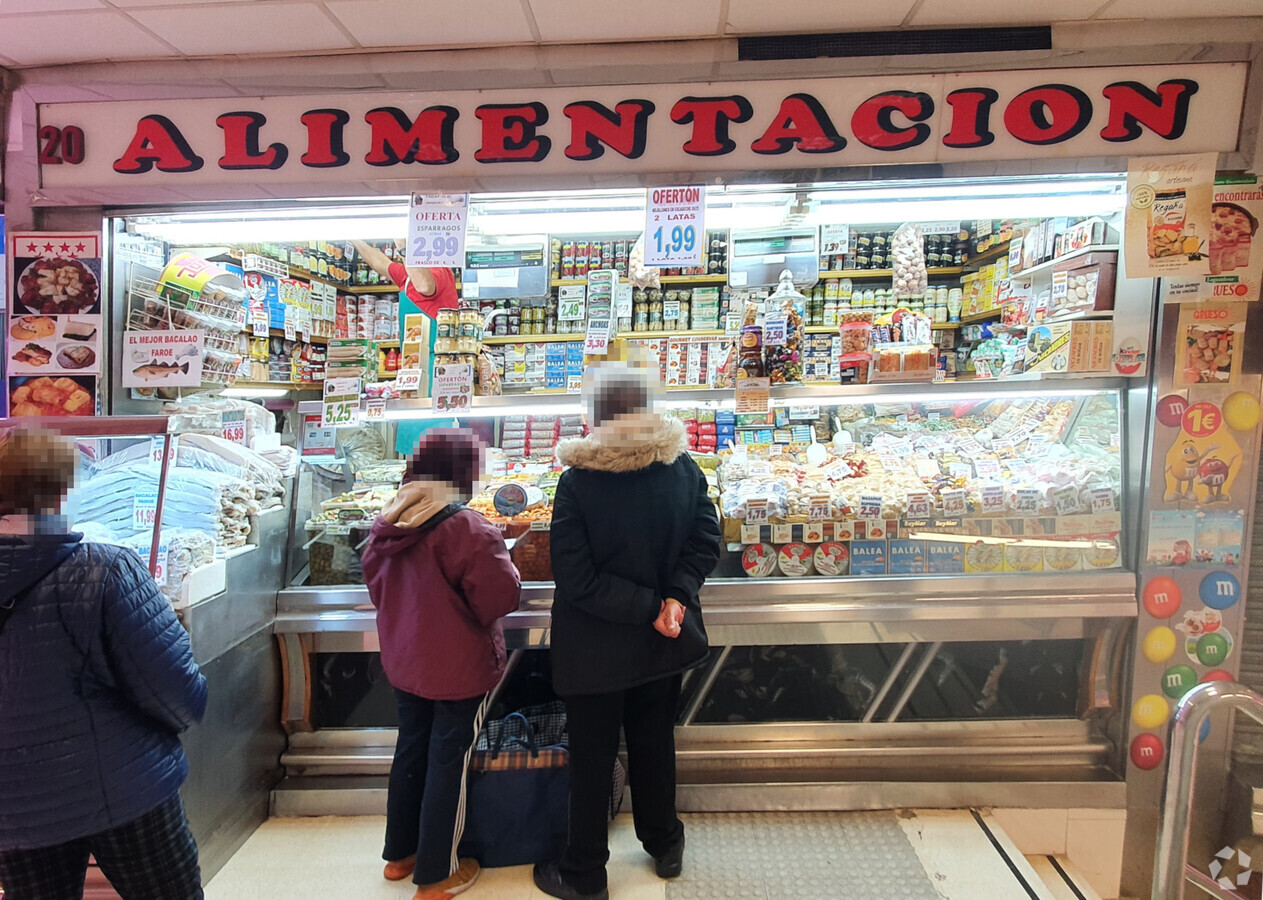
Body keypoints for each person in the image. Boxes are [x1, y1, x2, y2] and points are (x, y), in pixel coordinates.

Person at [534, 363, 722, 900]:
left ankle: (585, 872)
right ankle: (665, 845)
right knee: (653, 742)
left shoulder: (578, 483)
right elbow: (705, 541)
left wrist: (650, 606)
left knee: (593, 757)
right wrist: (673, 601)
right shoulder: (682, 469)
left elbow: (577, 579)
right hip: (663, 641)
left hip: (596, 650)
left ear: (596, 416)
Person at [0, 427, 208, 900]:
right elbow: (176, 692)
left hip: (12, 810)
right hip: (123, 790)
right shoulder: (104, 568)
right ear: (59, 492)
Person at [361, 428, 522, 900]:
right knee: (449, 761)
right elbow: (498, 599)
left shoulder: (388, 518)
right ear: (465, 474)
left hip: (405, 662)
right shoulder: (467, 528)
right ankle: (437, 875)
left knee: (411, 749)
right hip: (458, 670)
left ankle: (400, 855)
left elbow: (377, 587)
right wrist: (505, 552)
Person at [353, 239, 459, 319]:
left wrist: (403, 248)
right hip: (412, 346)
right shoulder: (408, 276)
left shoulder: (438, 269)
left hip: (437, 346)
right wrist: (355, 239)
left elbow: (424, 286)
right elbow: (379, 263)